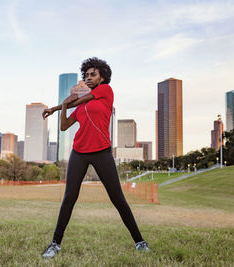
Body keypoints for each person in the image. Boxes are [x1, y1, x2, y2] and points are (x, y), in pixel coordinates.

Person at [41, 57, 150, 259]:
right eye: (86, 75)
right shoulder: (80, 107)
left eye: (93, 74)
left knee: (118, 199)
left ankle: (140, 242)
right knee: (69, 199)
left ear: (102, 76)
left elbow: (83, 98)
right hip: (79, 152)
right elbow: (64, 126)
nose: (89, 78)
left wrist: (57, 106)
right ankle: (55, 244)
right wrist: (64, 108)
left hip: (101, 152)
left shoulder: (105, 91)